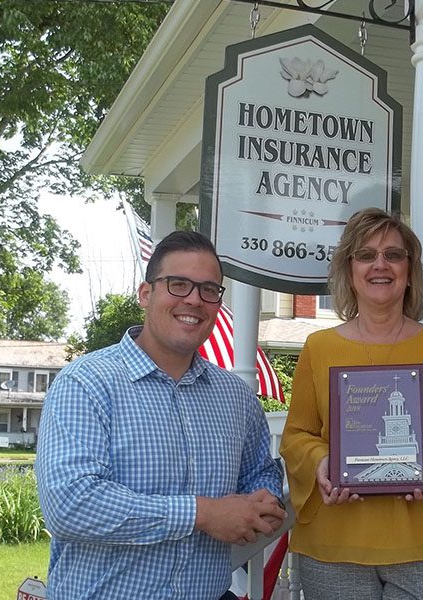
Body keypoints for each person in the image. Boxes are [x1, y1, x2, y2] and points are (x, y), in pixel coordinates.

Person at [36, 230, 286, 600]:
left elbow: (259, 471)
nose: (194, 300)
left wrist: (260, 502)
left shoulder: (235, 396)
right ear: (146, 294)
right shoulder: (87, 383)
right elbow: (70, 504)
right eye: (178, 284)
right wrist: (202, 514)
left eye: (209, 290)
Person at [280, 208, 423, 600]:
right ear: (349, 268)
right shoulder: (319, 348)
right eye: (366, 254)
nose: (381, 265)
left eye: (394, 255)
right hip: (335, 544)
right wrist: (324, 461)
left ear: (410, 270)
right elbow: (296, 436)